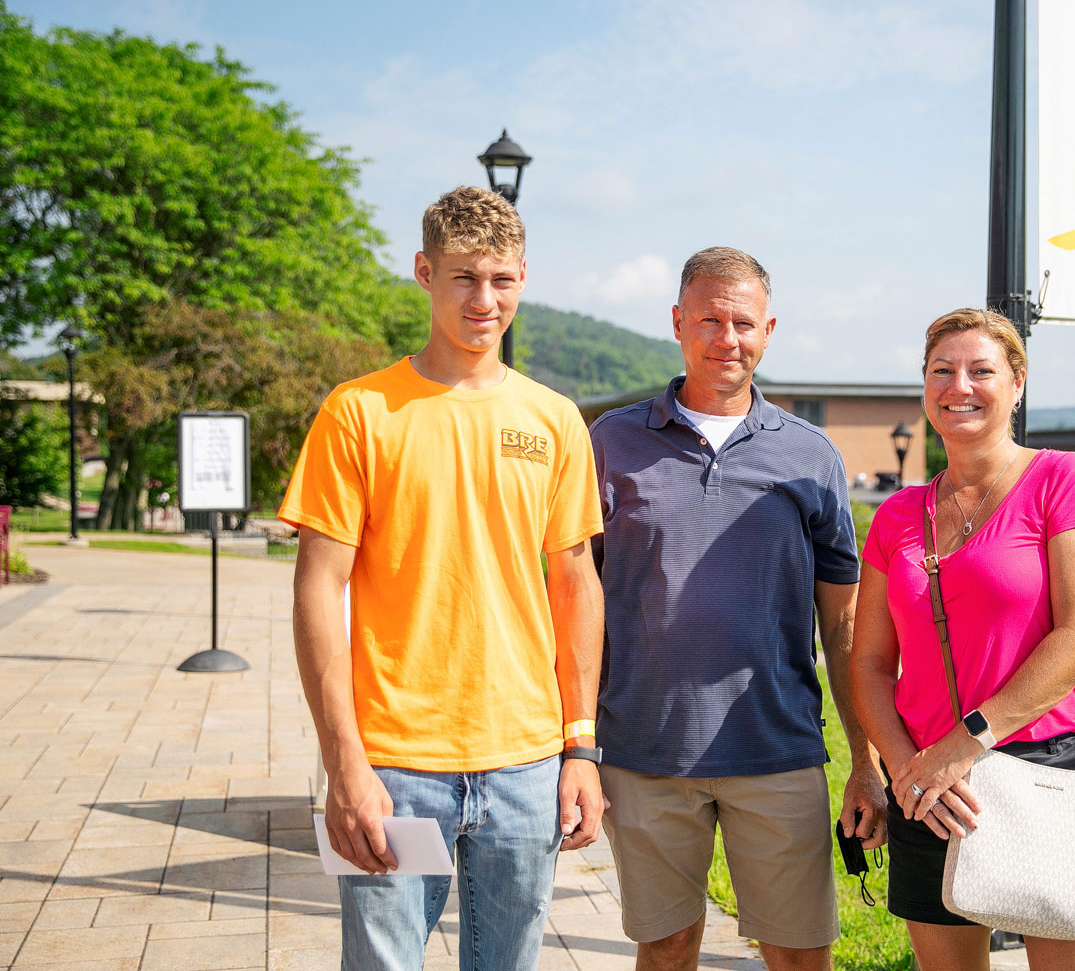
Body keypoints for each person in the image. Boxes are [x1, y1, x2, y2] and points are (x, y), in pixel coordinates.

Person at [280, 185, 605, 971]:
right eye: (463, 276)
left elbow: (575, 583)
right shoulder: (358, 412)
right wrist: (344, 763)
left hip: (526, 764)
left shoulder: (555, 419)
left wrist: (581, 747)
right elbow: (317, 590)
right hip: (392, 762)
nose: (483, 299)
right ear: (425, 272)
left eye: (500, 279)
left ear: (523, 278)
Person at [589, 247, 886, 971]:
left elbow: (843, 626)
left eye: (744, 323)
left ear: (769, 329)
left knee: (799, 953)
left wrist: (865, 760)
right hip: (643, 750)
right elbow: (575, 602)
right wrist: (573, 749)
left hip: (777, 749)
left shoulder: (811, 456)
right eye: (711, 320)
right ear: (678, 323)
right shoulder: (610, 444)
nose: (729, 338)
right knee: (665, 947)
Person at [849, 308, 1075, 971]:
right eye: (941, 371)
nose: (958, 385)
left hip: (1047, 769)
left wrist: (961, 745)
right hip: (930, 791)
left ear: (1017, 383)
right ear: (924, 387)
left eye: (981, 370)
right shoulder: (896, 515)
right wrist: (908, 770)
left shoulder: (1063, 479)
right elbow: (871, 665)